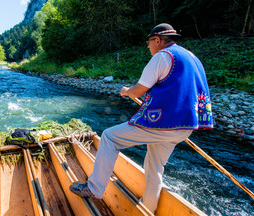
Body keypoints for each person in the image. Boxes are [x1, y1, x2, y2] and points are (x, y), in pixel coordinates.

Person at [69, 23, 213, 213]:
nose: (148, 46)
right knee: (154, 167)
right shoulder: (193, 58)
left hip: (163, 123)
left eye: (149, 42)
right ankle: (148, 208)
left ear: (158, 40)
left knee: (110, 137)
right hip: (187, 127)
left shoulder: (163, 56)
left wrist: (127, 91)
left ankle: (94, 188)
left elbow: (139, 89)